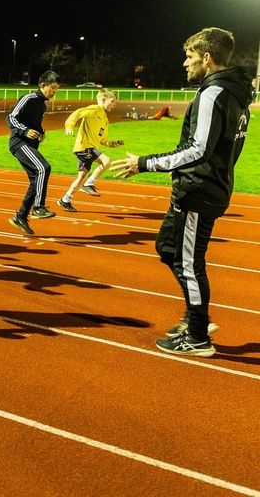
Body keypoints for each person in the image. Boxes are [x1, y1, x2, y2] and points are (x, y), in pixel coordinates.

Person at [110, 27, 254, 357]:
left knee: (189, 264)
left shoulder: (213, 94)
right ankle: (196, 315)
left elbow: (198, 149)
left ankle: (198, 335)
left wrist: (144, 163)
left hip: (198, 189)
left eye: (189, 57)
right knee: (168, 248)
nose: (184, 63)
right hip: (205, 186)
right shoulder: (233, 93)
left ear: (207, 58)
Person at [6, 70, 59, 235]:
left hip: (31, 146)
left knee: (35, 181)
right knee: (44, 168)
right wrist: (25, 131)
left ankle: (20, 216)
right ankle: (38, 207)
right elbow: (11, 118)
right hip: (19, 143)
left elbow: (33, 124)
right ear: (42, 85)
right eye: (53, 88)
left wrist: (41, 132)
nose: (54, 92)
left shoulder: (42, 104)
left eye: (56, 89)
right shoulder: (29, 98)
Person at [58, 88, 123, 212]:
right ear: (103, 100)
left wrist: (114, 144)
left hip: (90, 148)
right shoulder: (95, 109)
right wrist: (69, 127)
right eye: (112, 101)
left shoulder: (105, 119)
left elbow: (103, 139)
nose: (114, 105)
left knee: (81, 177)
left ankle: (65, 200)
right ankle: (88, 184)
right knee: (106, 161)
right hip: (84, 147)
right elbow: (77, 113)